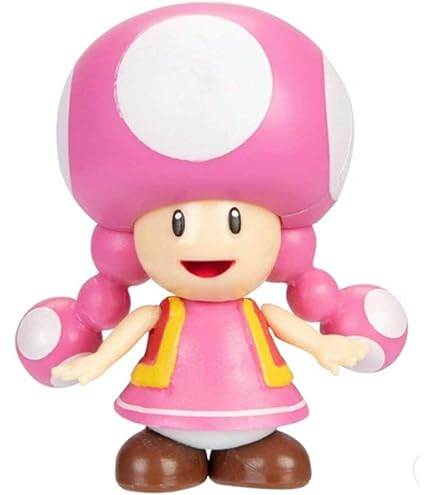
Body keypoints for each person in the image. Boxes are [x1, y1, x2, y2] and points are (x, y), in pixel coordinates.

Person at [16, 3, 407, 492]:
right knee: (152, 462)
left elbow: (283, 323)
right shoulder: (164, 311)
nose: (206, 241)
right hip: (167, 415)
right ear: (132, 242)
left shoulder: (255, 308)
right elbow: (134, 327)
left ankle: (250, 448)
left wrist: (321, 344)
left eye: (235, 222)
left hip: (254, 410)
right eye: (177, 223)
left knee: (278, 462)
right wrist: (97, 361)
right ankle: (173, 447)